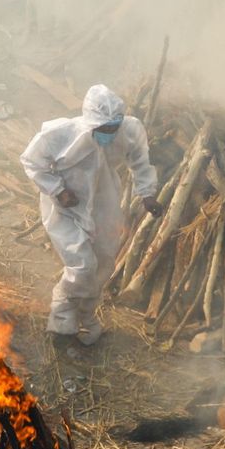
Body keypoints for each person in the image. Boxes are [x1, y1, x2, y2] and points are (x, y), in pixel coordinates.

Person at [20, 84, 162, 347]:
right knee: (81, 265)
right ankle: (61, 323)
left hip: (104, 203)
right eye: (102, 128)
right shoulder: (61, 133)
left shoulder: (129, 130)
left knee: (103, 262)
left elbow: (140, 160)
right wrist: (59, 191)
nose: (108, 133)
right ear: (90, 122)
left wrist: (147, 193)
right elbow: (31, 161)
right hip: (66, 207)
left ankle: (86, 318)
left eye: (112, 127)